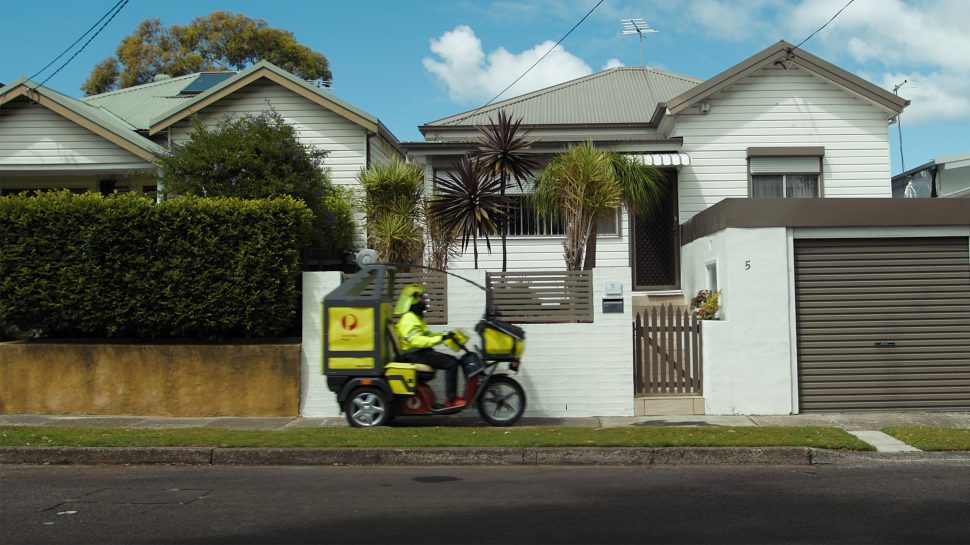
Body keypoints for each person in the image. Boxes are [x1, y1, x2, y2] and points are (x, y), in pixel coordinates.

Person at [394, 284, 464, 407]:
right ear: (414, 300)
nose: (425, 301)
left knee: (452, 361)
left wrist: (445, 335)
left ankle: (452, 399)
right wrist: (440, 338)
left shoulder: (415, 318)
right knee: (452, 363)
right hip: (413, 355)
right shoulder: (408, 319)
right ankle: (451, 400)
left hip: (419, 353)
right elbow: (417, 341)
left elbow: (428, 335)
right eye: (422, 298)